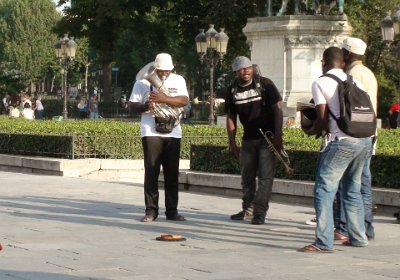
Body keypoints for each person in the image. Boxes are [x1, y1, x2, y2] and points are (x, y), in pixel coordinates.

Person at [300, 47, 372, 252]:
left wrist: (311, 130)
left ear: (324, 63)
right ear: (343, 63)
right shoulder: (354, 81)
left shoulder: (321, 82)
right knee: (352, 189)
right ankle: (358, 237)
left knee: (324, 189)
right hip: (364, 139)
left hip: (342, 141)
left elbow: (322, 118)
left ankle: (323, 241)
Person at [129, 53, 189, 222]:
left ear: (172, 69)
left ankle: (172, 211)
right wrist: (145, 106)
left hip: (173, 131)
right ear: (155, 68)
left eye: (167, 71)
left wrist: (165, 99)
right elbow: (132, 106)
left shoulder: (179, 80)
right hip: (150, 131)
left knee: (172, 173)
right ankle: (151, 211)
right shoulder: (142, 83)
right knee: (151, 172)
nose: (163, 74)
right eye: (161, 71)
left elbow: (184, 100)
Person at [225, 56, 283, 225]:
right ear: (236, 72)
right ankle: (247, 209)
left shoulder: (265, 84)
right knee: (247, 177)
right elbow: (231, 117)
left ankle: (260, 212)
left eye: (248, 68)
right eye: (242, 69)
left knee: (265, 177)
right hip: (248, 139)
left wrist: (278, 135)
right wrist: (232, 142)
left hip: (268, 138)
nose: (246, 71)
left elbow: (277, 110)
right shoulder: (232, 90)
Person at [334, 37, 378, 241]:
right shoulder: (368, 72)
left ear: (349, 54)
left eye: (343, 51)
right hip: (369, 134)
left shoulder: (350, 74)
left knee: (348, 184)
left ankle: (344, 228)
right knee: (363, 184)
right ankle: (366, 227)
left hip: (353, 133)